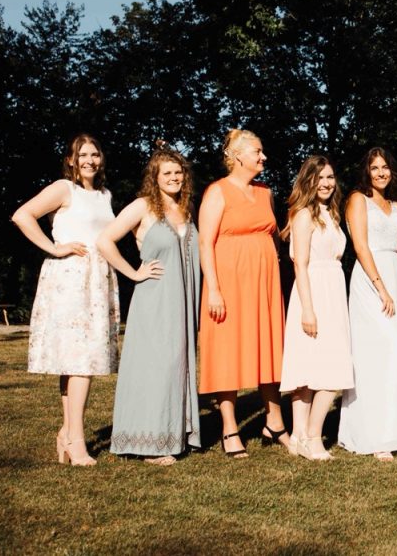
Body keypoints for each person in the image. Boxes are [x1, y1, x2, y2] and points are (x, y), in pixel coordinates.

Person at [12, 133, 120, 466]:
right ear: (71, 160)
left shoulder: (105, 195)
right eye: (82, 155)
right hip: (71, 279)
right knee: (81, 360)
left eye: (95, 154)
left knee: (79, 360)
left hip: (98, 279)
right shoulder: (64, 188)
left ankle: (67, 433)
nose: (90, 160)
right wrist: (54, 248)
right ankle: (76, 440)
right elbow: (22, 215)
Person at [96, 143, 202, 465]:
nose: (174, 177)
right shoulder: (143, 206)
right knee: (156, 366)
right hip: (155, 298)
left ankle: (173, 433)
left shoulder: (185, 208)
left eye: (178, 172)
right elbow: (104, 240)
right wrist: (133, 273)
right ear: (154, 177)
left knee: (177, 364)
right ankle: (149, 443)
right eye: (166, 173)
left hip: (184, 299)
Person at [197, 129, 287, 458]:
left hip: (264, 281)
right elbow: (205, 242)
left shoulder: (265, 192)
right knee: (227, 350)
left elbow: (274, 236)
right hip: (229, 281)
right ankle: (229, 428)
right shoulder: (217, 191)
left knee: (269, 346)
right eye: (257, 152)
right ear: (238, 156)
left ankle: (274, 421)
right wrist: (214, 289)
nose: (263, 157)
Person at [338, 148, 397, 460]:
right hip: (370, 281)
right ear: (366, 172)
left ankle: (396, 430)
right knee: (378, 354)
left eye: (385, 167)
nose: (381, 173)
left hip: (396, 277)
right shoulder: (357, 200)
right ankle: (372, 434)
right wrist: (381, 288)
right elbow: (360, 246)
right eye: (375, 168)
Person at [279, 156, 353, 461]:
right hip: (312, 293)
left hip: (333, 290)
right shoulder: (303, 215)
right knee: (319, 368)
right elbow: (300, 265)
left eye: (330, 177)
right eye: (320, 177)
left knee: (321, 366)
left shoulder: (331, 213)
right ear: (308, 180)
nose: (326, 183)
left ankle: (300, 435)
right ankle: (310, 436)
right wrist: (308, 310)